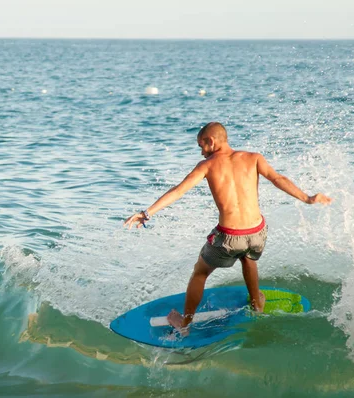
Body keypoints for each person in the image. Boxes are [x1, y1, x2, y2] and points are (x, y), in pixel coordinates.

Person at [124, 122, 332, 336]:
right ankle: (256, 304)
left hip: (229, 237)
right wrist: (308, 198)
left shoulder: (207, 165)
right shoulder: (254, 158)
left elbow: (179, 191)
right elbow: (278, 179)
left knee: (200, 272)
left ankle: (184, 324)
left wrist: (147, 213)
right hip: (257, 232)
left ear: (211, 141)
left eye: (201, 146)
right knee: (248, 257)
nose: (202, 152)